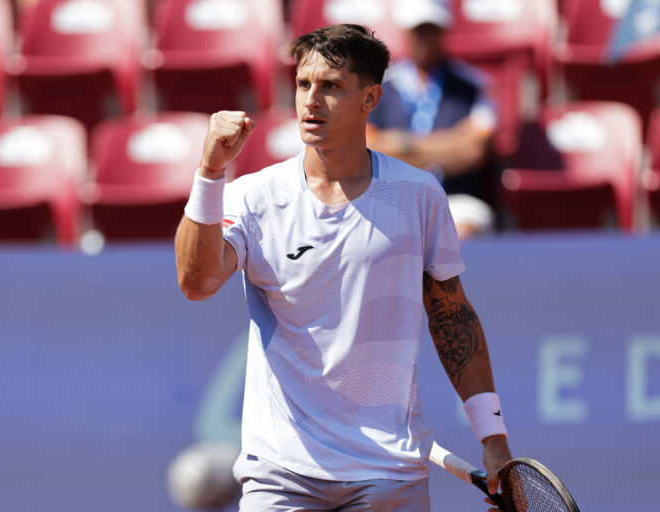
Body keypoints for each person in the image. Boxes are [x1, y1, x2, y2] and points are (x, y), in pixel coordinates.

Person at [175, 23, 511, 512]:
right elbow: (196, 281)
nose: (312, 100)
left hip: (388, 472)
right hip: (280, 473)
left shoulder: (418, 195)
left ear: (370, 98)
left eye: (331, 86)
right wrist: (209, 174)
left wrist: (492, 434)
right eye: (303, 84)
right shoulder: (252, 196)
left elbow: (451, 317)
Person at [367, 0, 498, 239]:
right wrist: (448, 145)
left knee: (463, 232)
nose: (423, 38)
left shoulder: (473, 85)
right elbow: (367, 147)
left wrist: (401, 146)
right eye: (418, 30)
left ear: (443, 32)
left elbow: (474, 150)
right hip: (392, 198)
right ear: (405, 32)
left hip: (457, 200)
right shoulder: (378, 86)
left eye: (431, 29)